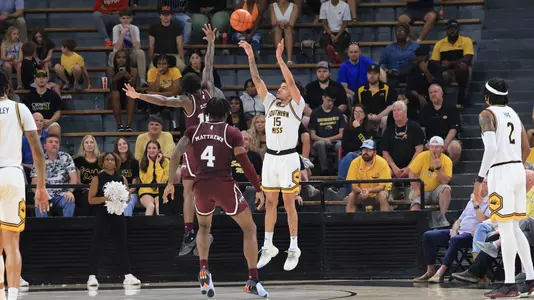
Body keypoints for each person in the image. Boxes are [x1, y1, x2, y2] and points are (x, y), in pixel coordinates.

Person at [124, 24, 217, 256]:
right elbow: (208, 65)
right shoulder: (209, 92)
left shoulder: (187, 101)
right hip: (214, 148)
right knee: (206, 194)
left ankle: (188, 233)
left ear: (185, 88)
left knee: (188, 191)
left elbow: (163, 102)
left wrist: (138, 95)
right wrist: (211, 42)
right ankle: (206, 231)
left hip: (196, 148)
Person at [163, 97, 269, 297]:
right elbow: (245, 163)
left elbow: (176, 154)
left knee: (203, 227)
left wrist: (170, 183)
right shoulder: (232, 132)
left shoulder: (193, 130)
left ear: (207, 113)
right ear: (227, 113)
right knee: (249, 227)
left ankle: (204, 270)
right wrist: (259, 188)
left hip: (201, 186)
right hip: (224, 185)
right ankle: (253, 280)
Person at [240, 38, 305, 271]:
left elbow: (290, 80)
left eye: (283, 87)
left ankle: (294, 247)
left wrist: (279, 59)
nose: (279, 88)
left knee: (288, 203)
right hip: (271, 158)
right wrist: (250, 56)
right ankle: (268, 246)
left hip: (288, 157)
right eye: (279, 86)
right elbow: (257, 80)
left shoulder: (296, 104)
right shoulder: (270, 103)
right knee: (269, 202)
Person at [475, 78, 534, 298]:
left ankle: (509, 284)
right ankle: (530, 280)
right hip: (518, 170)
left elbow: (490, 149)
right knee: (515, 227)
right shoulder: (514, 114)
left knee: (506, 227)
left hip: (501, 173)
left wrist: (479, 179)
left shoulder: (486, 115)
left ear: (487, 96)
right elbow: (526, 147)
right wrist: (514, 164)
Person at [0, 69, 49, 300]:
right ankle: (12, 296)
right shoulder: (20, 109)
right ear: (8, 86)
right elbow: (38, 153)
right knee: (12, 244)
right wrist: (41, 186)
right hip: (12, 175)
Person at [86, 152, 141, 287]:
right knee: (97, 244)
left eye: (112, 160)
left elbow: (128, 196)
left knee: (122, 244)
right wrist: (106, 198)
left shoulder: (121, 178)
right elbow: (91, 199)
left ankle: (128, 275)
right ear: (102, 162)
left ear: (116, 163)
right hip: (102, 214)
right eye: (107, 160)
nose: (110, 162)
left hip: (118, 214)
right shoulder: (97, 178)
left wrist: (124, 197)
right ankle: (92, 276)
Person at [108, 49, 137, 132]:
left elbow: (133, 86)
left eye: (124, 57)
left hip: (128, 97)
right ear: (115, 60)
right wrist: (116, 77)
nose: (121, 60)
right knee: (115, 93)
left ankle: (128, 126)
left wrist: (129, 78)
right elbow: (111, 87)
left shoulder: (133, 70)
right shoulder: (111, 70)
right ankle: (119, 125)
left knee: (131, 94)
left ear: (127, 59)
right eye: (118, 57)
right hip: (115, 98)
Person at [139, 140, 169, 216]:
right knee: (150, 206)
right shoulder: (142, 161)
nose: (151, 150)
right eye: (149, 148)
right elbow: (145, 181)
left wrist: (157, 163)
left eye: (154, 148)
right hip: (146, 190)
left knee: (159, 206)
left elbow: (162, 181)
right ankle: (146, 227)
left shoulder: (166, 162)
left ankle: (161, 227)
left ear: (159, 150)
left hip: (161, 190)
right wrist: (151, 164)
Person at [114, 138, 139, 217]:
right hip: (116, 193)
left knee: (127, 204)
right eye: (119, 144)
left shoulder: (134, 162)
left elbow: (135, 185)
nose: (122, 146)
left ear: (128, 145)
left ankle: (126, 226)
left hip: (131, 192)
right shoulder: (113, 162)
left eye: (124, 143)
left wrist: (126, 193)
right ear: (116, 147)